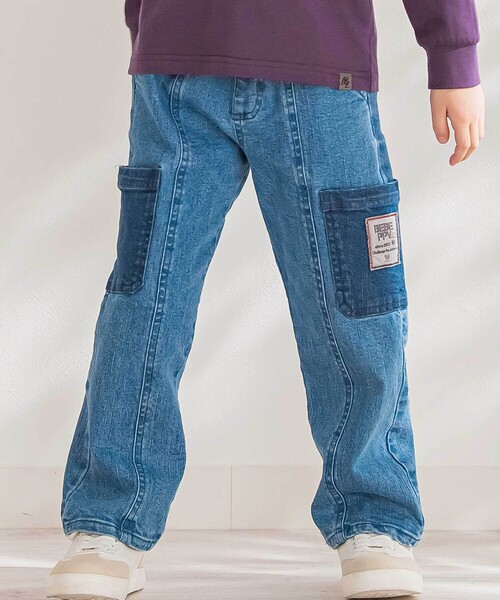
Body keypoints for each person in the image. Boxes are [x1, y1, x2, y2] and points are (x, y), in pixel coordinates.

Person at [47, 1, 485, 599]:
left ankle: (375, 520)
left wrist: (454, 57)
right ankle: (108, 524)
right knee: (145, 303)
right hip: (177, 73)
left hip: (325, 72)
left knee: (354, 308)